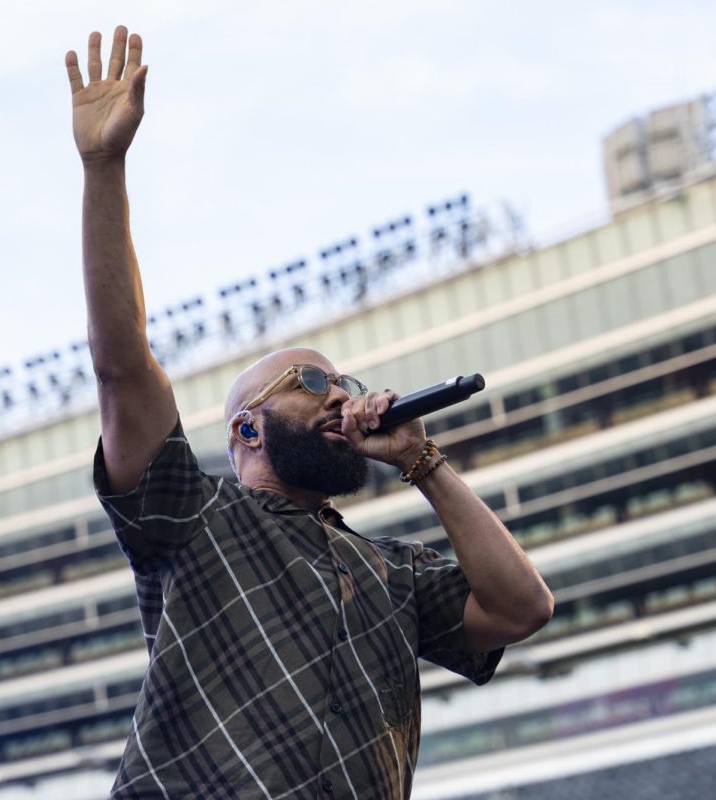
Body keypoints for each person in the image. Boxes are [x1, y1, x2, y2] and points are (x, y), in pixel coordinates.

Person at [66, 24, 554, 799]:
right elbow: (122, 367)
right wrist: (104, 168)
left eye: (343, 381)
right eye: (307, 380)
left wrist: (423, 464)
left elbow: (522, 607)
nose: (339, 394)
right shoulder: (192, 521)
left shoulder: (393, 571)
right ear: (245, 430)